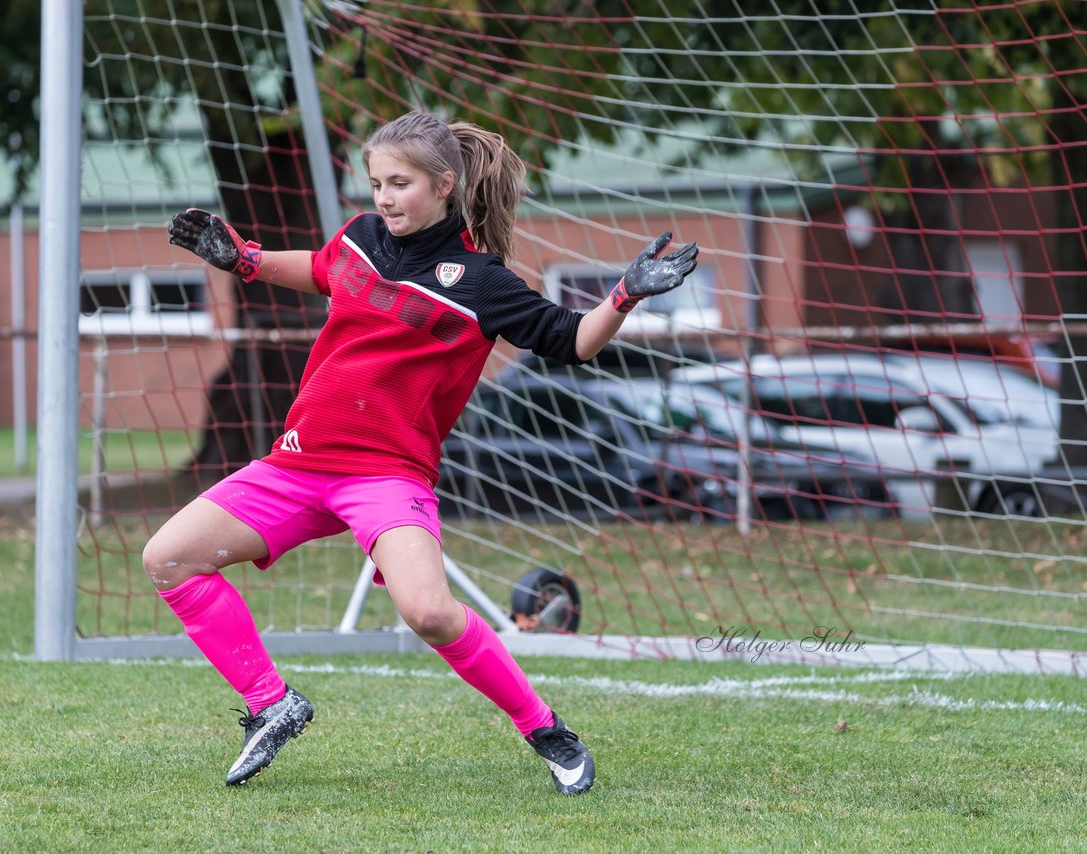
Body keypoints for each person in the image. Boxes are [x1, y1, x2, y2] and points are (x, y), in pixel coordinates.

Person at [150, 110, 698, 795]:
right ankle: (272, 703)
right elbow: (321, 270)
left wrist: (623, 296)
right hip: (297, 464)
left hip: (385, 477)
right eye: (377, 182)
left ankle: (546, 729)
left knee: (430, 613)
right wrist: (247, 259)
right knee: (169, 559)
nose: (383, 196)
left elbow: (573, 338)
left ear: (443, 186)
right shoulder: (361, 238)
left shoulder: (481, 282)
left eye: (399, 183)